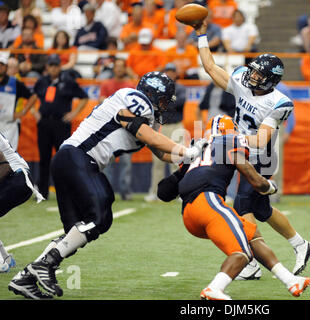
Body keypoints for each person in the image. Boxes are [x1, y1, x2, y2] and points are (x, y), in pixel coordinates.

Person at [8, 71, 208, 299]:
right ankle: (45, 266)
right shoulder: (135, 99)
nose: (164, 106)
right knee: (101, 214)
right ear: (152, 94)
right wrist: (185, 150)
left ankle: (26, 276)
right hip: (79, 158)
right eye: (163, 100)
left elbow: (161, 152)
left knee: (75, 233)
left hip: (70, 161)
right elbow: (146, 135)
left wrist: (190, 154)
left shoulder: (141, 113)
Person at [192, 20, 310, 279]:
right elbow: (211, 67)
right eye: (254, 70)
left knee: (241, 207)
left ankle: (249, 262)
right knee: (261, 210)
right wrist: (201, 35)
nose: (253, 75)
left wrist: (228, 136)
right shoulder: (241, 79)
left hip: (263, 157)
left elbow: (260, 141)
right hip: (241, 149)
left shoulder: (280, 102)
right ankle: (301, 245)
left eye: (259, 74)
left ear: (270, 80)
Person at [156, 115, 310, 300]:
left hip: (189, 215)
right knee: (242, 253)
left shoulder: (197, 148)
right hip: (208, 203)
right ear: (230, 131)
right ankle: (215, 288)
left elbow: (163, 193)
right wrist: (269, 187)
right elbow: (253, 178)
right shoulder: (230, 140)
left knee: (251, 237)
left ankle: (290, 280)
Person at [32, 54, 89, 200]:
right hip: (44, 123)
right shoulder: (42, 81)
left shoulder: (68, 81)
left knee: (62, 158)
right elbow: (31, 97)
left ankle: (64, 191)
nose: (53, 68)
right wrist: (34, 112)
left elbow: (84, 97)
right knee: (44, 158)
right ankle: (42, 192)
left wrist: (74, 113)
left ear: (59, 66)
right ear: (47, 67)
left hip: (60, 123)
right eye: (50, 65)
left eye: (55, 65)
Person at [0, 133, 44, 278]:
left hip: (17, 178)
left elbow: (5, 167)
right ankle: (5, 257)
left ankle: (1, 263)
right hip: (16, 180)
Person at [145, 63, 186, 202]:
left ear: (175, 73)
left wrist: (163, 101)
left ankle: (180, 191)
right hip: (161, 126)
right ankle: (155, 191)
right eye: (167, 71)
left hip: (176, 125)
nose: (169, 74)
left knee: (178, 159)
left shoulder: (180, 88)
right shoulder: (160, 88)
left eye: (171, 71)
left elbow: (178, 103)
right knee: (157, 161)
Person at [100, 59, 135, 201]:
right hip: (109, 129)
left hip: (125, 130)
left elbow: (132, 107)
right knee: (107, 162)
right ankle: (107, 191)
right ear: (113, 69)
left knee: (126, 163)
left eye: (122, 67)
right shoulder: (106, 84)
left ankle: (125, 191)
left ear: (125, 69)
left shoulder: (130, 85)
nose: (119, 69)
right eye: (117, 67)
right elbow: (101, 102)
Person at [0, 52, 38, 151]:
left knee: (9, 157)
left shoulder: (15, 83)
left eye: (2, 65)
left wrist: (23, 112)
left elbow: (33, 96)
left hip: (9, 125)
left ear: (6, 67)